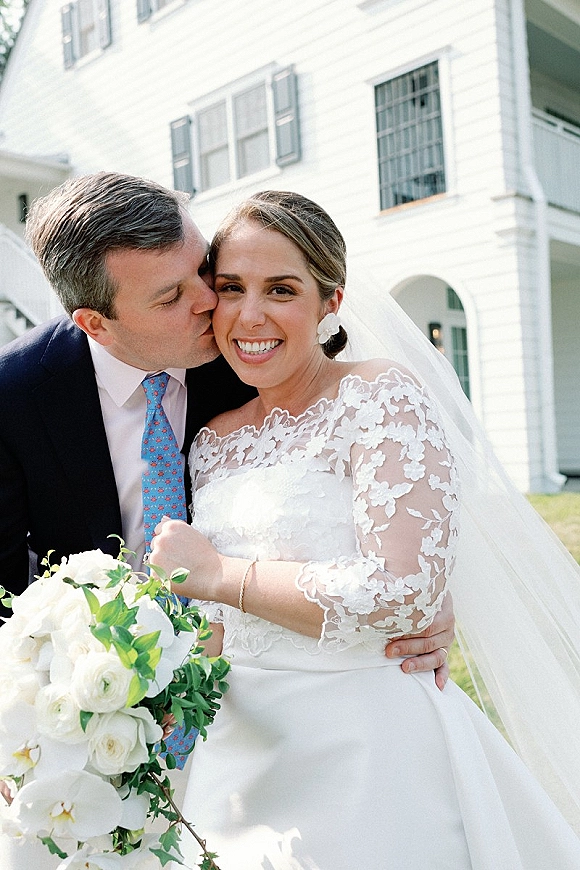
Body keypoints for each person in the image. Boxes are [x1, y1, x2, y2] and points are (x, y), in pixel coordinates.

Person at [0, 175, 454, 867]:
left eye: (202, 272)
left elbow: (383, 499)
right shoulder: (15, 396)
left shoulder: (250, 355)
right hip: (128, 715)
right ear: (96, 323)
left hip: (341, 726)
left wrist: (419, 597)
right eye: (172, 297)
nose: (217, 305)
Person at [150, 190, 580, 869]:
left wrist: (219, 576)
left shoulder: (380, 395)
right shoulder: (210, 442)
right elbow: (214, 625)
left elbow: (404, 589)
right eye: (231, 288)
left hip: (369, 751)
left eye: (282, 289)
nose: (250, 315)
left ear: (331, 302)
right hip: (238, 755)